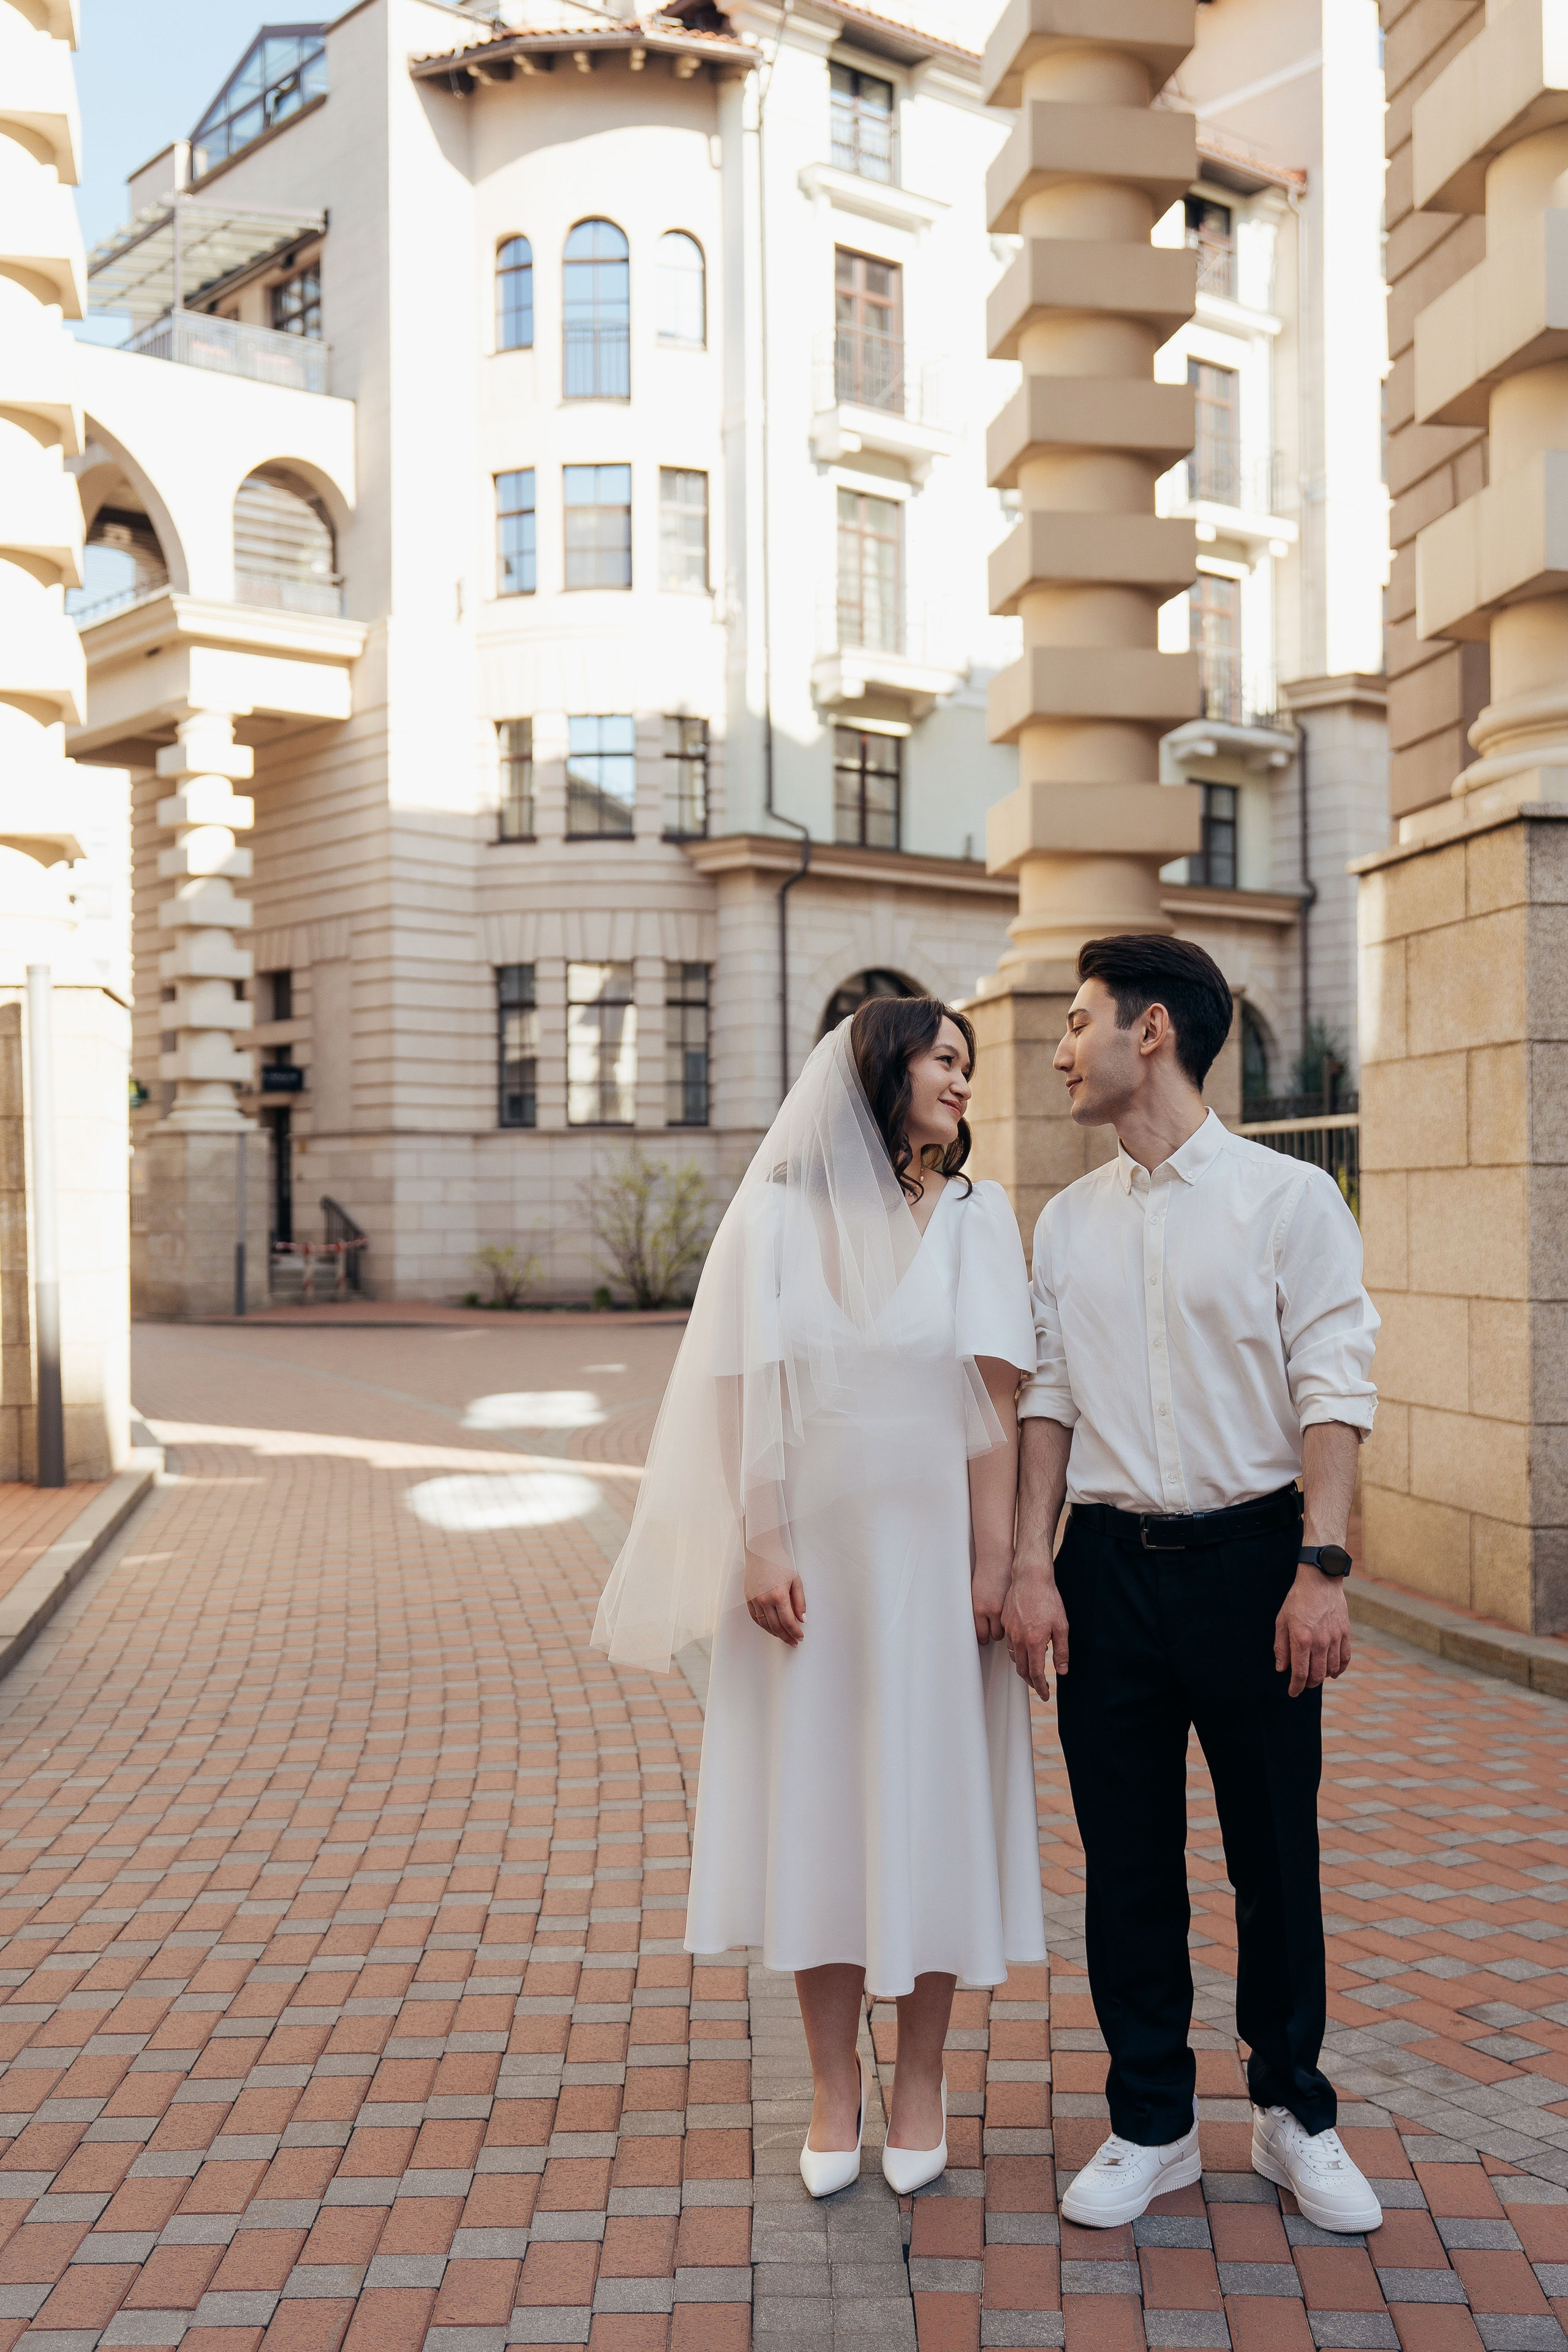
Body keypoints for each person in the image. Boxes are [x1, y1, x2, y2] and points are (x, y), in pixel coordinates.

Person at [594, 996, 1043, 2197]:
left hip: (934, 1559)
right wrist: (760, 1543)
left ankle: (919, 2081)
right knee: (819, 1815)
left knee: (933, 1806)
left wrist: (991, 1563)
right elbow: (743, 1386)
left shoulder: (976, 1215)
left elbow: (993, 1405)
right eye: (944, 1060)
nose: (962, 1082)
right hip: (807, 1565)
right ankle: (832, 2085)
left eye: (968, 1065)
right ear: (882, 1067)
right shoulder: (776, 1218)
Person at [1003, 933, 1382, 2234]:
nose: (1057, 1047)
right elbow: (1043, 1401)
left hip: (1254, 1564)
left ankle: (1292, 2117)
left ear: (1147, 1030)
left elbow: (1332, 1382)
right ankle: (1149, 2123)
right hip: (1103, 1568)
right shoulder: (1061, 1220)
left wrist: (1319, 1567)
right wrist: (1025, 1567)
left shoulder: (1287, 1202)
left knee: (1273, 1856)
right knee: (1124, 1862)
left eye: (1073, 1021)